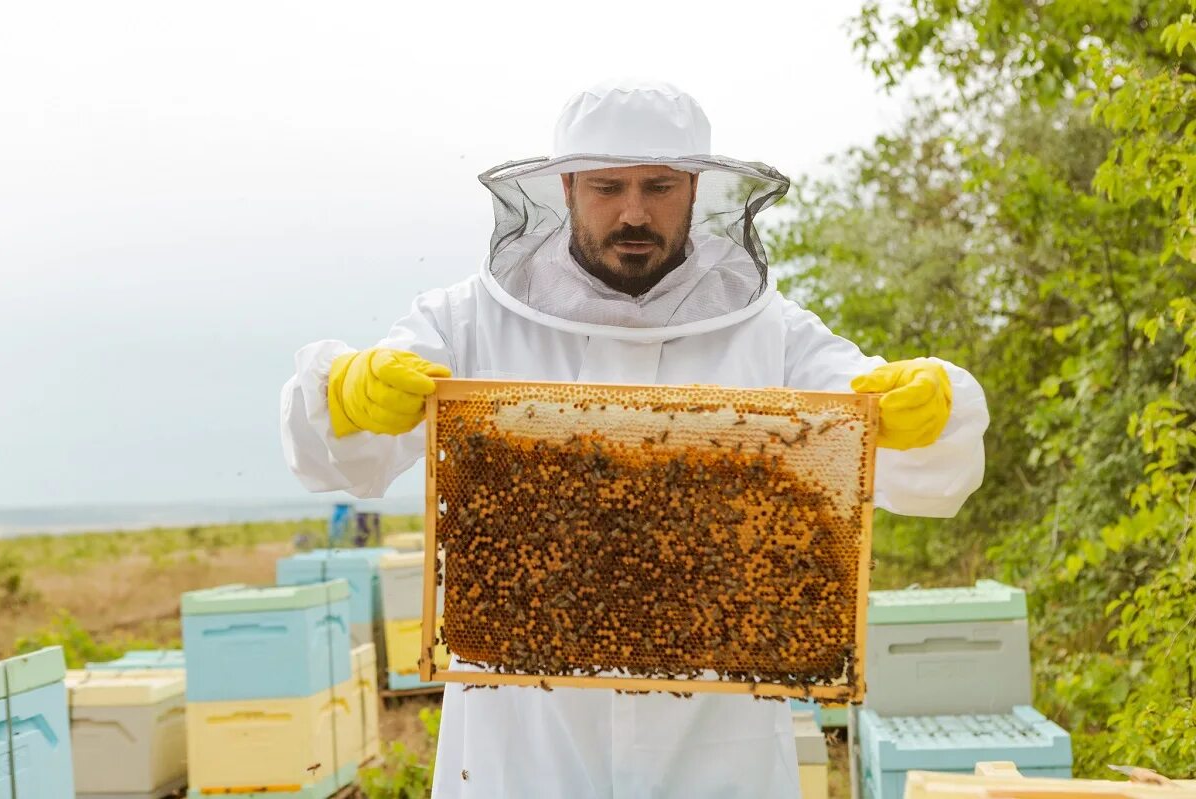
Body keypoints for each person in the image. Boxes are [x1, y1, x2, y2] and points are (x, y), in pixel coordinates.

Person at [281, 78, 989, 799]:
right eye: (606, 187)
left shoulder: (770, 332)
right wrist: (345, 394)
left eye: (659, 186)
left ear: (696, 188)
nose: (633, 212)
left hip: (717, 736)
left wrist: (927, 408)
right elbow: (334, 454)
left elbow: (896, 437)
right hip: (523, 741)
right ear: (563, 188)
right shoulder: (468, 321)